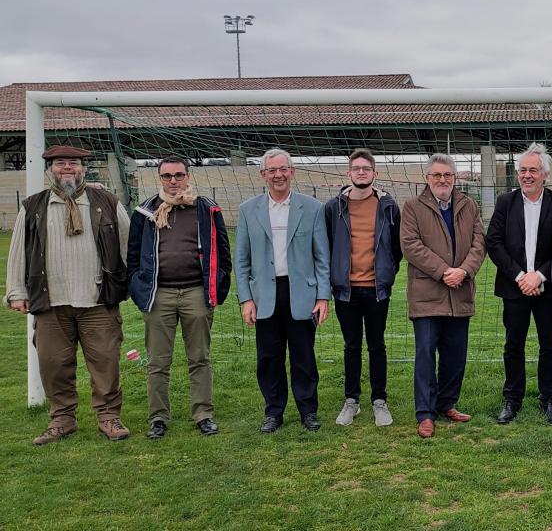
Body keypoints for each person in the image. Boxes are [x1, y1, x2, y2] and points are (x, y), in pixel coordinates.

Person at [5, 146, 131, 445]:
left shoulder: (107, 202)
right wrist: (16, 291)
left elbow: (129, 247)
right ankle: (62, 420)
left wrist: (134, 285)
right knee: (53, 364)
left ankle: (109, 417)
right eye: (60, 163)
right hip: (50, 302)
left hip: (98, 300)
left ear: (83, 168)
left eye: (73, 163)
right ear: (50, 169)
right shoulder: (33, 206)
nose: (67, 168)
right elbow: (18, 252)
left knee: (106, 363)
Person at [128, 156, 232, 439]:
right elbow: (133, 255)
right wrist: (139, 290)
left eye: (178, 175)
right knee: (158, 362)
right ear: (159, 178)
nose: (173, 181)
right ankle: (158, 418)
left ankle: (203, 414)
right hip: (158, 296)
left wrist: (217, 288)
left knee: (199, 358)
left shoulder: (206, 208)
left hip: (195, 293)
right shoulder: (145, 211)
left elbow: (223, 252)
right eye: (167, 176)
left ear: (188, 176)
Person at [235, 148, 332, 433]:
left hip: (301, 293)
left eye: (283, 169)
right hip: (265, 295)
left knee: (304, 356)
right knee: (268, 358)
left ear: (292, 172)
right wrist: (246, 298)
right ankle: (273, 411)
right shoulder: (248, 210)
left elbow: (321, 257)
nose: (278, 175)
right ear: (263, 175)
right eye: (272, 170)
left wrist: (323, 296)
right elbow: (242, 260)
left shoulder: (312, 208)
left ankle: (308, 411)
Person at [486, 142, 552, 425]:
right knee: (514, 344)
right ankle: (512, 399)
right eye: (523, 170)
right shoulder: (505, 202)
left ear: (545, 174)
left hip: (547, 290)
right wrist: (522, 276)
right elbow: (494, 243)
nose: (527, 175)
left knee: (549, 345)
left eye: (533, 170)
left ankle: (549, 399)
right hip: (515, 287)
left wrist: (540, 275)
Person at [401, 153, 485, 438]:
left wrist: (463, 271)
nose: (442, 180)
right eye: (436, 175)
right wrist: (443, 271)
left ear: (455, 178)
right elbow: (410, 245)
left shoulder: (468, 205)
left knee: (455, 355)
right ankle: (425, 414)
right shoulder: (412, 207)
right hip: (427, 294)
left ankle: (446, 403)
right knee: (425, 355)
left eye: (447, 175)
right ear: (427, 178)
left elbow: (479, 244)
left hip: (459, 293)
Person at [324, 148, 402, 427]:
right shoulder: (334, 207)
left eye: (366, 169)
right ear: (349, 173)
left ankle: (379, 401)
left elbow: (397, 247)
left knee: (377, 345)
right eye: (356, 168)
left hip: (377, 288)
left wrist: (387, 273)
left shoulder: (388, 206)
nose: (361, 172)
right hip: (346, 289)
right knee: (351, 345)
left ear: (374, 174)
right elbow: (327, 245)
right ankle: (351, 402)